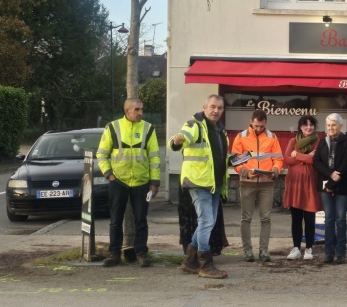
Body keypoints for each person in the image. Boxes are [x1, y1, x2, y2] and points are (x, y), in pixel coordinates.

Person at [169, 94, 230, 279]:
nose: (216, 111)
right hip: (198, 182)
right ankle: (206, 264)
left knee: (207, 223)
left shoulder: (220, 130)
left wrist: (234, 161)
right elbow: (180, 139)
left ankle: (189, 262)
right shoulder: (194, 125)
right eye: (212, 107)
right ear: (205, 107)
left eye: (219, 108)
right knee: (206, 222)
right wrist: (176, 141)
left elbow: (218, 158)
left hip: (214, 184)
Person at [96, 98, 160, 268]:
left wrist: (154, 182)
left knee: (141, 220)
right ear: (127, 110)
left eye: (142, 109)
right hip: (119, 181)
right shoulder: (113, 127)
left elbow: (154, 157)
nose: (140, 112)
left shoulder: (148, 128)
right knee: (115, 220)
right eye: (137, 109)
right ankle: (114, 253)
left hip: (141, 182)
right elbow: (101, 154)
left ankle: (141, 253)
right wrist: (109, 174)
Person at [231, 109, 283, 263]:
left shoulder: (272, 137)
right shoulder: (241, 137)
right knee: (246, 218)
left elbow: (278, 159)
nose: (259, 129)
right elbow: (235, 161)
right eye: (256, 126)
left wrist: (275, 171)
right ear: (251, 122)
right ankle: (247, 251)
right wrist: (245, 172)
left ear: (265, 123)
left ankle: (264, 251)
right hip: (247, 182)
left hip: (267, 183)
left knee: (266, 218)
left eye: (261, 126)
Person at [314, 113, 347, 264]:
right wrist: (330, 175)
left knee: (340, 219)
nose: (331, 128)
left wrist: (333, 183)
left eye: (334, 125)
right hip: (326, 185)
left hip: (342, 186)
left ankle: (341, 253)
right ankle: (328, 253)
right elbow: (316, 161)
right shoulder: (322, 142)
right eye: (329, 125)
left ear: (340, 126)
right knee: (329, 219)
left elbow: (346, 164)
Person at [282, 115, 322, 261]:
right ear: (300, 127)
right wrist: (305, 157)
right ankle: (296, 248)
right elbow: (286, 159)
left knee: (310, 218)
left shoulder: (318, 142)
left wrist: (297, 156)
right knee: (296, 218)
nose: (308, 127)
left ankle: (309, 248)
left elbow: (314, 159)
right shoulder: (293, 141)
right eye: (305, 125)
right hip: (295, 184)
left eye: (311, 125)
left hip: (310, 184)